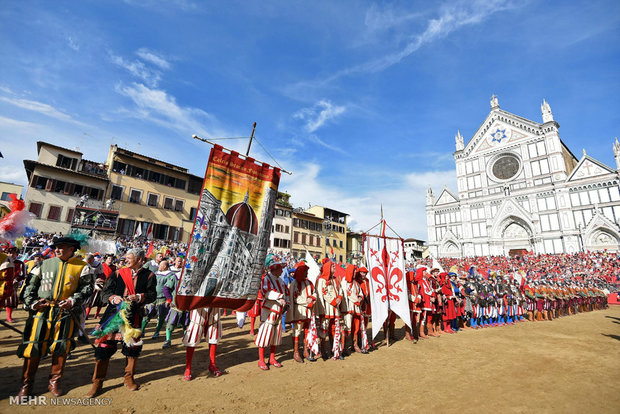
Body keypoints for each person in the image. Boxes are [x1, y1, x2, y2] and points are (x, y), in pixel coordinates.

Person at [16, 237, 93, 397]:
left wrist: (72, 300)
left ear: (72, 249)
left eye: (61, 247)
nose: (57, 250)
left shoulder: (83, 267)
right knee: (33, 347)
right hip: (41, 311)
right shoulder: (43, 264)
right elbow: (29, 286)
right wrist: (33, 303)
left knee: (61, 347)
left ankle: (54, 382)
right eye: (56, 247)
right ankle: (26, 385)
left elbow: (87, 288)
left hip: (65, 312)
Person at [85, 248, 156, 397]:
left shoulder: (149, 275)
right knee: (104, 348)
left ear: (139, 259)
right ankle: (97, 382)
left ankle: (128, 378)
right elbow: (105, 293)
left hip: (133, 316)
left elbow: (152, 295)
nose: (126, 260)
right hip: (113, 315)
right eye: (126, 258)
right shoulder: (117, 273)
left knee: (132, 349)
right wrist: (113, 298)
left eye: (129, 258)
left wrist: (139, 297)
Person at [254, 254, 290, 370]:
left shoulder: (281, 281)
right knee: (265, 334)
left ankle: (272, 357)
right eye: (279, 268)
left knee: (275, 335)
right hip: (269, 311)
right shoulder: (266, 279)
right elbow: (265, 292)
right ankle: (261, 359)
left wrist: (287, 303)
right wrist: (279, 297)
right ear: (273, 268)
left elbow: (287, 293)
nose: (282, 270)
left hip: (279, 311)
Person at [286, 261, 316, 363]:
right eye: (305, 272)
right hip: (299, 311)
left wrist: (312, 298)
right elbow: (294, 298)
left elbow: (314, 292)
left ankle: (306, 350)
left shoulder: (309, 282)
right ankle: (296, 352)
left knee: (307, 330)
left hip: (308, 310)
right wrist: (306, 302)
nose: (307, 274)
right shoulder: (294, 284)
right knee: (297, 331)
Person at [182, 307, 223, 380]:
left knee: (213, 335)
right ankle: (188, 368)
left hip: (214, 308)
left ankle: (212, 364)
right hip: (199, 307)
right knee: (193, 336)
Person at [315, 260, 344, 360]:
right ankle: (323, 349)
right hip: (327, 309)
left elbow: (340, 289)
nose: (335, 269)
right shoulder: (321, 280)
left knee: (335, 329)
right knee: (324, 329)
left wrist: (340, 297)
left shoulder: (335, 279)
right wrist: (334, 301)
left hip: (335, 308)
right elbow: (323, 293)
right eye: (333, 267)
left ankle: (335, 349)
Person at [141, 259, 173, 338]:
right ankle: (141, 331)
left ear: (165, 266)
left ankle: (157, 331)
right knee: (147, 313)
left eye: (160, 265)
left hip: (162, 298)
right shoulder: (155, 273)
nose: (158, 266)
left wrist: (169, 299)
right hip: (152, 297)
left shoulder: (170, 275)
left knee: (161, 316)